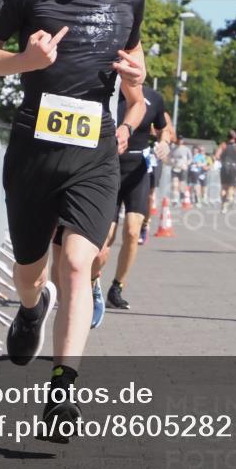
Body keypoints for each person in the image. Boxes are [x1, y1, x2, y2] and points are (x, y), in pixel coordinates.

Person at [0, 0, 147, 441]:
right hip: (34, 146)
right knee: (31, 269)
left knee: (76, 263)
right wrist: (27, 60)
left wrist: (136, 86)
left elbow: (135, 71)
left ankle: (63, 390)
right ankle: (29, 310)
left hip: (94, 150)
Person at [90, 83, 169, 325]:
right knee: (105, 241)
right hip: (108, 170)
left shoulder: (153, 98)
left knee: (133, 231)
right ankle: (92, 283)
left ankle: (117, 287)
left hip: (138, 172)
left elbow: (164, 129)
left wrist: (164, 142)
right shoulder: (106, 92)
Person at [140, 111, 174, 245]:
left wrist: (161, 135)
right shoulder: (133, 104)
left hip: (153, 156)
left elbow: (172, 135)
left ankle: (144, 225)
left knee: (149, 194)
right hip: (135, 152)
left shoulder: (162, 113)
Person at [215, 130, 236, 213]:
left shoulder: (223, 145)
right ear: (235, 138)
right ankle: (227, 202)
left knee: (223, 187)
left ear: (227, 137)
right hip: (233, 167)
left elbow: (217, 156)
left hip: (224, 167)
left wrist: (222, 160)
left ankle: (223, 206)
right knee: (231, 187)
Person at [169, 137, 193, 205]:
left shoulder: (186, 149)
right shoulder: (173, 149)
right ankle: (175, 199)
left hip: (183, 169)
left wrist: (186, 164)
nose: (180, 141)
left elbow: (190, 159)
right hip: (175, 168)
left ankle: (182, 198)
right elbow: (169, 157)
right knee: (174, 184)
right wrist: (171, 161)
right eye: (179, 140)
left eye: (181, 140)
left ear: (183, 141)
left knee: (182, 185)